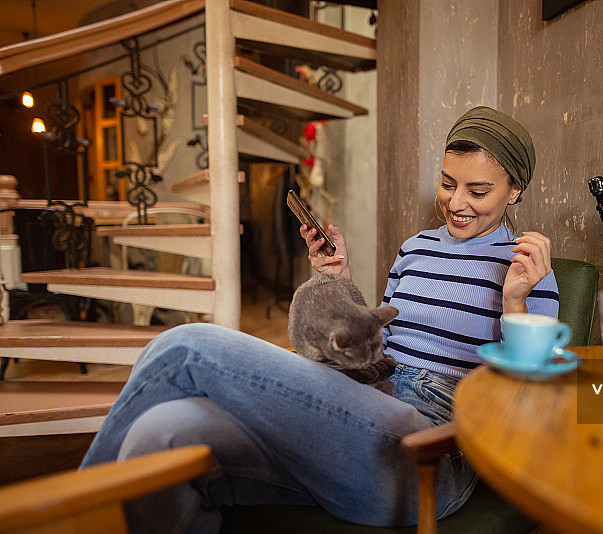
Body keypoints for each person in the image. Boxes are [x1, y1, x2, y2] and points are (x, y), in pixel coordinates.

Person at [80, 106, 559, 534]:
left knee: (183, 347)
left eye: (478, 190)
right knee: (162, 432)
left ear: (514, 190)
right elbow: (374, 344)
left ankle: (64, 517)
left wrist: (515, 302)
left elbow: (529, 404)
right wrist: (338, 278)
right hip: (361, 410)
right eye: (448, 183)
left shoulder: (524, 267)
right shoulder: (417, 248)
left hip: (430, 451)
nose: (456, 203)